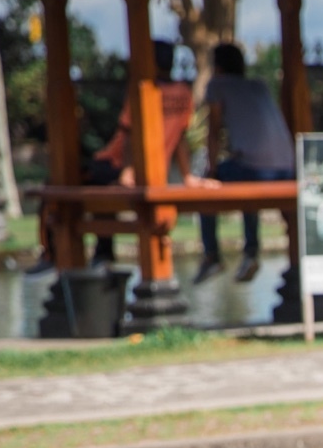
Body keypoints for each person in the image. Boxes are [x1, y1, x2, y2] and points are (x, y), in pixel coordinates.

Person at [86, 39, 195, 265]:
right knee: (96, 190)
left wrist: (127, 171)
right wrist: (187, 176)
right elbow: (181, 139)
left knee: (64, 184)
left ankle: (95, 251)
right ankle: (103, 251)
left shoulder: (144, 89)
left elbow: (129, 135)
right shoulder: (184, 93)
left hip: (116, 163)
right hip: (149, 170)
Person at [195, 43, 294, 284]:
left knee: (205, 189)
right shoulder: (259, 86)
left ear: (217, 67)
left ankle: (212, 255)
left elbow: (213, 129)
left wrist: (211, 168)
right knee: (246, 177)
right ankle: (250, 252)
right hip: (287, 167)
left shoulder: (217, 85)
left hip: (255, 168)